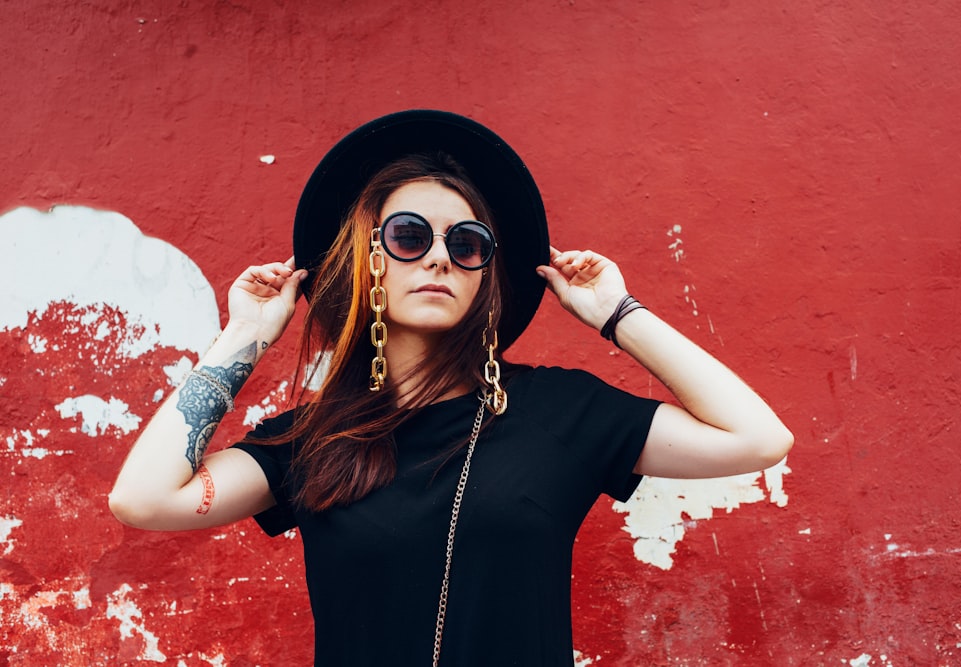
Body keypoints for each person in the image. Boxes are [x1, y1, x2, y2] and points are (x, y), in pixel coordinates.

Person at [109, 110, 793, 667]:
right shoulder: (313, 440)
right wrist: (244, 339)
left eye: (466, 244)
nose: (439, 255)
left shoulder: (559, 411)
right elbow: (143, 497)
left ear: (484, 277)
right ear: (368, 261)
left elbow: (758, 438)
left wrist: (618, 314)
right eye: (409, 235)